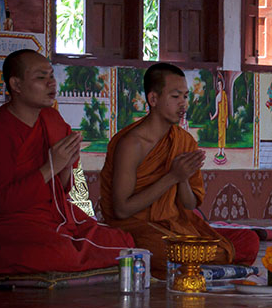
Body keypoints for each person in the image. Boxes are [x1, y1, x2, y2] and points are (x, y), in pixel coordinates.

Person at [0, 49, 134, 275]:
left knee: (121, 240)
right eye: (40, 78)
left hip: (51, 215)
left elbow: (61, 189)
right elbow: (2, 202)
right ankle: (79, 255)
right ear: (16, 84)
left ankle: (82, 254)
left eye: (51, 76)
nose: (51, 84)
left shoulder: (51, 119)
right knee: (59, 251)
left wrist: (66, 165)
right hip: (5, 223)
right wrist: (50, 166)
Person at [99, 63, 259, 275]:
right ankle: (194, 259)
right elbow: (121, 210)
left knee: (248, 240)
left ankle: (192, 259)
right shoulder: (132, 144)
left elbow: (189, 203)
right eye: (175, 97)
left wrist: (182, 178)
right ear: (153, 99)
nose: (183, 104)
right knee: (166, 250)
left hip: (176, 225)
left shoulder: (183, 141)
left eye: (185, 96)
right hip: (137, 228)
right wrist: (172, 176)